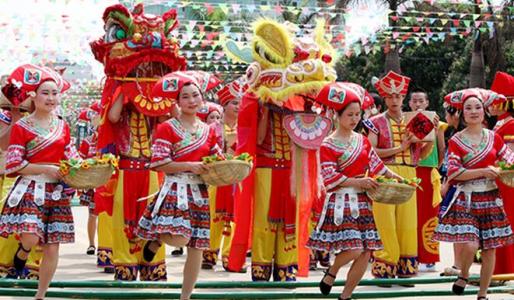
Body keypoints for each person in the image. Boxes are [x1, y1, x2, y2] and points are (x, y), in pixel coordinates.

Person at [309, 82, 402, 300]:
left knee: (367, 251)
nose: (354, 119)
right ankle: (332, 270)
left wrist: (398, 178)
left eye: (357, 114)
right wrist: (359, 182)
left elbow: (377, 166)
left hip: (362, 202)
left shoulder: (362, 140)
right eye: (349, 115)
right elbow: (329, 177)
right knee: (354, 249)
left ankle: (346, 295)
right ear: (337, 115)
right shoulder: (328, 145)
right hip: (342, 202)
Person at [137, 71, 222, 299]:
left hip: (200, 192)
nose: (192, 100)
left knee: (197, 248)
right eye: (185, 97)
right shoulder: (166, 128)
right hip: (175, 190)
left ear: (202, 98)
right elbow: (158, 163)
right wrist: (189, 165)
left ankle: (186, 296)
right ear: (177, 101)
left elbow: (216, 157)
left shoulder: (209, 130)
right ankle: (155, 239)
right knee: (181, 239)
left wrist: (225, 165)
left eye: (195, 95)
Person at [0, 64, 78, 299]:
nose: (51, 98)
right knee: (31, 237)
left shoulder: (63, 126)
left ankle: (40, 294)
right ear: (33, 95)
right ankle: (23, 250)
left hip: (56, 193)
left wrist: (83, 168)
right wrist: (46, 168)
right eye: (46, 93)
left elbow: (71, 156)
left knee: (52, 246)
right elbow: (14, 164)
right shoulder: (22, 126)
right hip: (31, 188)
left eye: (55, 93)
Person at [433, 88, 514, 300]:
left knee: (489, 250)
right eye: (468, 108)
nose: (474, 111)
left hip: (490, 197)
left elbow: (509, 160)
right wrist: (483, 171)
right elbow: (454, 172)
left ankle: (482, 294)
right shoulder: (457, 141)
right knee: (470, 244)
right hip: (466, 198)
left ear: (484, 111)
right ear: (462, 113)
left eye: (478, 107)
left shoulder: (494, 138)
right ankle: (466, 273)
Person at [368, 71, 434, 282]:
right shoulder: (375, 121)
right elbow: (371, 151)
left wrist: (430, 137)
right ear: (385, 98)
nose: (394, 100)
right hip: (385, 173)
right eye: (390, 96)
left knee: (407, 222)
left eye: (398, 96)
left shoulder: (414, 120)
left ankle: (406, 267)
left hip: (409, 172)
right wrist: (400, 147)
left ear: (403, 98)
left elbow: (421, 154)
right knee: (385, 221)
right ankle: (384, 266)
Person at [202, 80, 245, 271]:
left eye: (241, 103)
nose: (238, 106)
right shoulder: (212, 129)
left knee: (235, 219)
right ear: (225, 105)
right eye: (234, 103)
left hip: (237, 180)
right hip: (216, 179)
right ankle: (209, 253)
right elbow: (205, 150)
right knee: (214, 216)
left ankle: (229, 257)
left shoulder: (245, 129)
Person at [408, 89, 444, 272]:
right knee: (410, 215)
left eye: (421, 100)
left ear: (427, 103)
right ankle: (411, 254)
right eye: (414, 101)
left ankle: (429, 256)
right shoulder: (404, 122)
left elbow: (442, 149)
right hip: (410, 172)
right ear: (409, 104)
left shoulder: (438, 123)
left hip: (429, 173)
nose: (417, 104)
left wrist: (436, 167)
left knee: (430, 215)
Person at [489, 71, 514, 276]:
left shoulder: (511, 124)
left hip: (507, 183)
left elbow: (510, 158)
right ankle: (500, 269)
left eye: (495, 99)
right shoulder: (499, 124)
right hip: (498, 181)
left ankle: (508, 269)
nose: (490, 103)